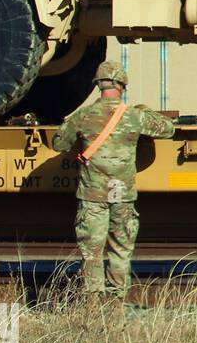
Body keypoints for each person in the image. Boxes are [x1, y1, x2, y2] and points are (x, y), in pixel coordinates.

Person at [52, 61, 175, 308]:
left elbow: (59, 144)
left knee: (92, 253)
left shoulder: (84, 116)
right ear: (122, 86)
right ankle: (116, 303)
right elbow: (168, 129)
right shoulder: (133, 116)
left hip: (92, 196)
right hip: (123, 195)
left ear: (98, 85)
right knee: (120, 250)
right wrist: (146, 111)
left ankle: (92, 305)